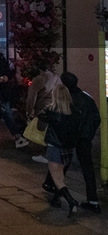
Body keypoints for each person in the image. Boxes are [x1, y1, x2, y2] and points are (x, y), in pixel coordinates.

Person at [59, 72, 101, 213]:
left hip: (70, 138)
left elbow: (63, 120)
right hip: (85, 138)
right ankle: (93, 200)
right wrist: (89, 133)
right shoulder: (86, 97)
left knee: (61, 166)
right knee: (88, 168)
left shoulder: (66, 99)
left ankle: (57, 194)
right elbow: (96, 118)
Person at [40, 84, 81, 216]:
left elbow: (40, 119)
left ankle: (71, 201)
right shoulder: (75, 111)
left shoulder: (52, 111)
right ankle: (56, 199)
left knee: (55, 177)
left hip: (54, 147)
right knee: (60, 175)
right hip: (68, 148)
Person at [0, 41, 28, 148]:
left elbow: (8, 70)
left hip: (3, 91)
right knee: (0, 114)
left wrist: (6, 77)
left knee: (7, 113)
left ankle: (17, 137)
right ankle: (16, 137)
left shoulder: (1, 58)